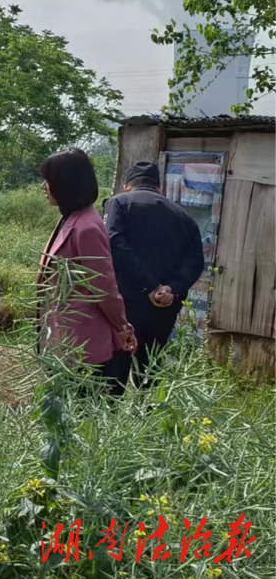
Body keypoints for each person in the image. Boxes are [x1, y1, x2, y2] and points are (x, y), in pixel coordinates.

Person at [37, 148, 138, 396]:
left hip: (82, 339)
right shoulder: (72, 217)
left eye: (49, 181)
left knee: (81, 412)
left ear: (65, 185)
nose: (44, 187)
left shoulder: (87, 227)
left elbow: (103, 287)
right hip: (65, 334)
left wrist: (122, 326)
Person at [104, 162, 204, 387]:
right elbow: (196, 260)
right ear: (159, 188)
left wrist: (149, 286)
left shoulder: (118, 203)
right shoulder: (183, 215)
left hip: (126, 305)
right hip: (164, 307)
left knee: (116, 366)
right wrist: (172, 288)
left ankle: (110, 417)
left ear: (127, 186)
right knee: (150, 368)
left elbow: (115, 243)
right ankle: (146, 412)